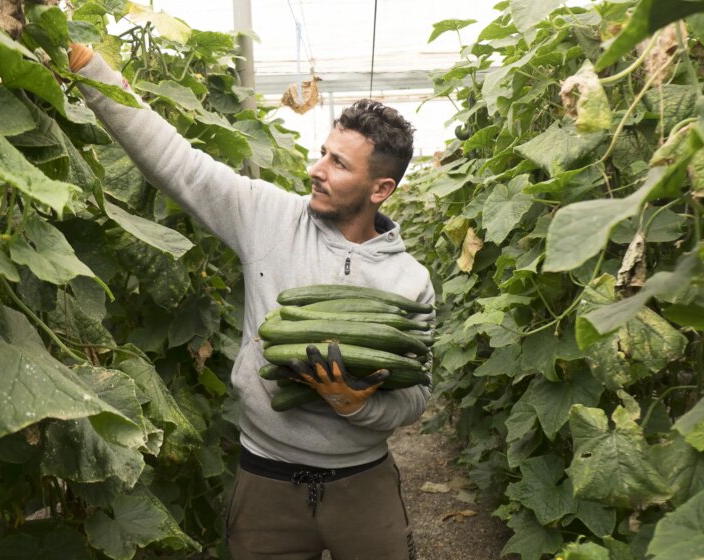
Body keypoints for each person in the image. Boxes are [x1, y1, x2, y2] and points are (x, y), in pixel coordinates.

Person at [69, 43, 434, 560]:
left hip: (363, 483)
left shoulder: (409, 281)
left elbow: (418, 393)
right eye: (323, 152)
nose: (316, 169)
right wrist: (89, 68)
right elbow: (179, 165)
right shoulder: (268, 217)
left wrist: (358, 405)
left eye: (338, 164)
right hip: (265, 478)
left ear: (381, 189)